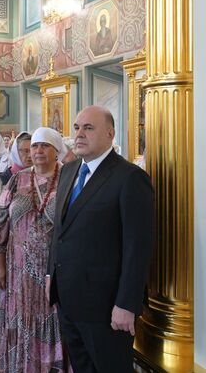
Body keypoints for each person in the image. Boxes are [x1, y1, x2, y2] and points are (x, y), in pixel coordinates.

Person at [48, 106, 155, 372]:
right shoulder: (70, 171)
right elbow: (60, 232)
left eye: (88, 128)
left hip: (106, 308)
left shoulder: (130, 177)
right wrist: (52, 276)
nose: (79, 134)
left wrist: (126, 304)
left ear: (110, 133)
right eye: (76, 128)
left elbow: (138, 247)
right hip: (69, 299)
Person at [0, 127, 66, 372]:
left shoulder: (69, 178)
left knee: (53, 320)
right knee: (19, 319)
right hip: (18, 272)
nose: (38, 151)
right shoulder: (17, 179)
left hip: (55, 272)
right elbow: (0, 222)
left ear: (57, 150)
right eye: (34, 146)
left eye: (45, 145)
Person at [0, 131, 33, 199]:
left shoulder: (41, 177)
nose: (30, 155)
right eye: (26, 151)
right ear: (15, 151)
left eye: (32, 150)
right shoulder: (0, 182)